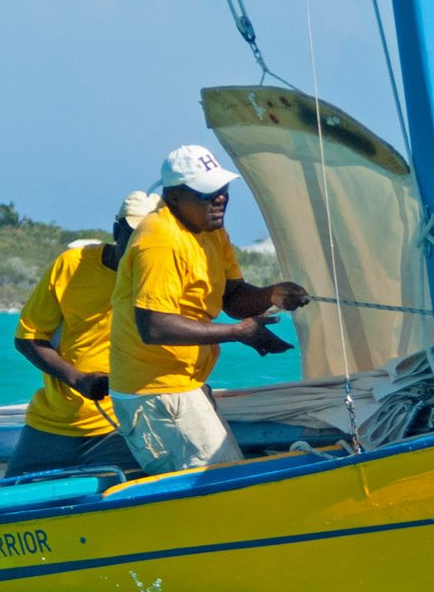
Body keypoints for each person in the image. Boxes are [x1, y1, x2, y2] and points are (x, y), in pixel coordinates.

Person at [108, 144, 309, 473]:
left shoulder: (212, 231)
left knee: (221, 480)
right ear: (174, 197)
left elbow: (233, 298)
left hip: (186, 385)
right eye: (206, 192)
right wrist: (239, 333)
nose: (219, 198)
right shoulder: (159, 239)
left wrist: (272, 295)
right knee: (223, 482)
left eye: (223, 188)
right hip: (155, 392)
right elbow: (154, 327)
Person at [4, 192, 159, 477]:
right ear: (116, 232)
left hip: (120, 426)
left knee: (129, 501)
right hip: (51, 423)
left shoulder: (158, 277)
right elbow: (28, 338)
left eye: (148, 239)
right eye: (133, 235)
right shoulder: (72, 266)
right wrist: (78, 379)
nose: (139, 246)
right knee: (9, 507)